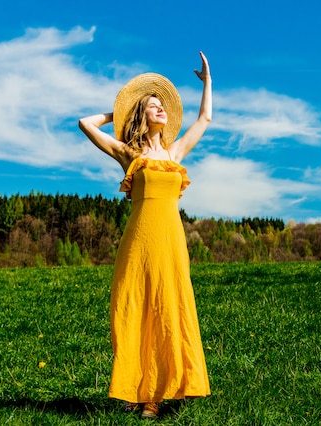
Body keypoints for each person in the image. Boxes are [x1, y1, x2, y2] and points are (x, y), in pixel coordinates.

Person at [78, 52, 212, 419]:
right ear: (142, 115)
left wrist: (208, 83)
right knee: (136, 309)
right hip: (139, 240)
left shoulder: (174, 152)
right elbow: (85, 123)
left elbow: (205, 119)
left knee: (172, 308)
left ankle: (175, 387)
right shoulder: (128, 154)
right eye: (153, 106)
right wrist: (117, 114)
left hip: (171, 240)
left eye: (162, 106)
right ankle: (142, 394)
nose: (161, 110)